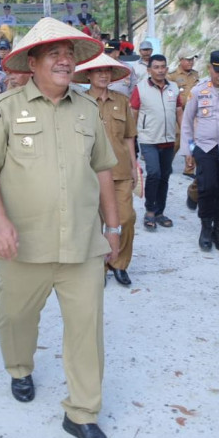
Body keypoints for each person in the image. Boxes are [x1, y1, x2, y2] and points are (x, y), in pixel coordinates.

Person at [0, 17, 118, 438]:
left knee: (87, 328)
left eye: (69, 52)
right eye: (53, 52)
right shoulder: (6, 108)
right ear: (31, 62)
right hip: (23, 243)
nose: (64, 59)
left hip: (82, 243)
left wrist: (112, 226)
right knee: (16, 317)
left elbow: (103, 170)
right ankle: (19, 368)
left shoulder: (89, 109)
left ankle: (82, 412)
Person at [75, 54, 138, 286]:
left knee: (126, 218)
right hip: (89, 172)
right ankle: (97, 267)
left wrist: (134, 165)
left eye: (108, 71)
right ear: (88, 75)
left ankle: (119, 263)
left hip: (119, 171)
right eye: (98, 71)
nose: (103, 75)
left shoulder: (121, 100)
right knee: (93, 221)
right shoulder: (79, 101)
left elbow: (129, 136)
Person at [181, 51, 219, 252]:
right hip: (204, 147)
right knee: (207, 188)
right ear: (210, 69)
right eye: (218, 71)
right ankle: (206, 228)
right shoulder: (198, 91)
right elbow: (187, 122)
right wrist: (189, 150)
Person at [131, 54, 182, 231]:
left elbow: (178, 111)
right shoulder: (140, 88)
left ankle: (160, 212)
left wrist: (184, 132)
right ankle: (150, 210)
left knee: (165, 175)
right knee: (154, 173)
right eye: (156, 67)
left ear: (167, 69)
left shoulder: (173, 88)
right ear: (149, 70)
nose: (160, 70)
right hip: (148, 139)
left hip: (168, 140)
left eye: (163, 67)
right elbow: (134, 113)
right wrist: (132, 137)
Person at [168, 50, 200, 177]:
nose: (190, 62)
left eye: (192, 59)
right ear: (181, 60)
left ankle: (189, 168)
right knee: (177, 139)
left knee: (193, 139)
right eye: (188, 59)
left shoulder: (195, 75)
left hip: (194, 113)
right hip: (179, 112)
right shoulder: (172, 76)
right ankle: (167, 163)